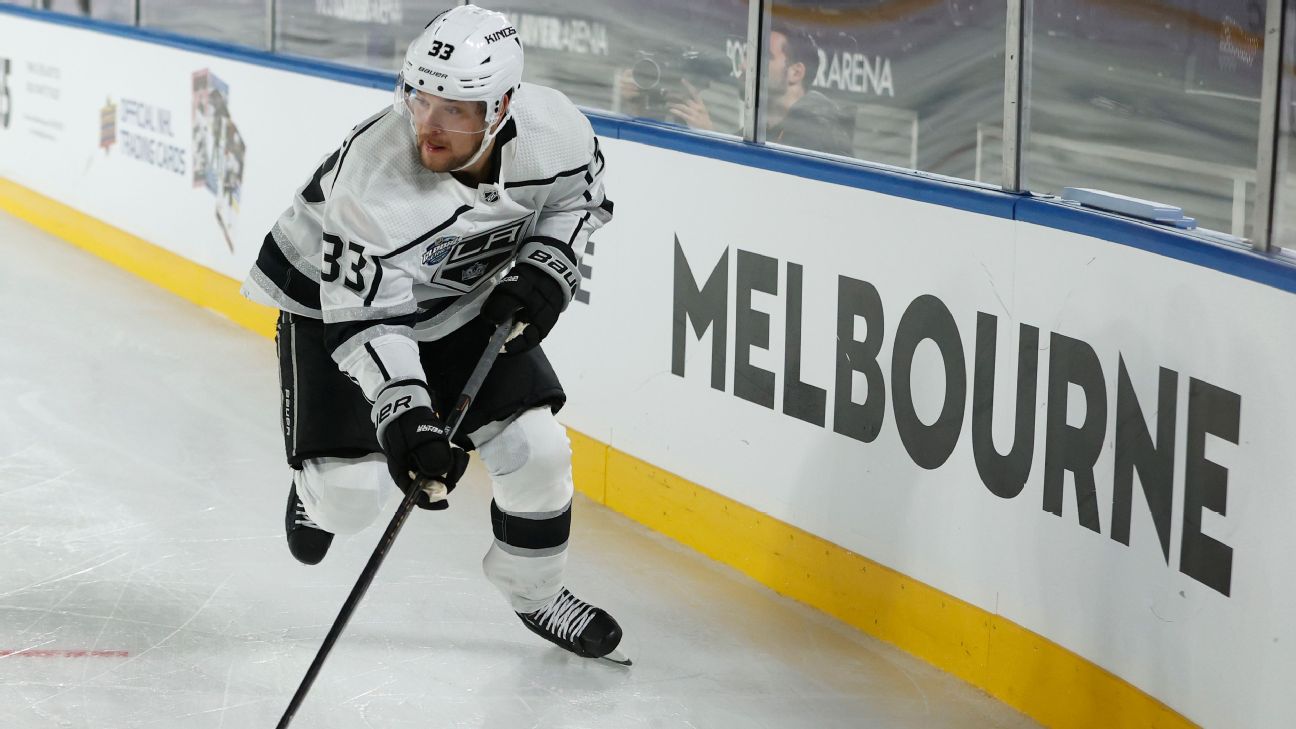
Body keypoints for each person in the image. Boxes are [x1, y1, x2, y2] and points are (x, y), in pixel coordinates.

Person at [240, 5, 623, 663]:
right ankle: (316, 495)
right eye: (419, 98)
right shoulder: (375, 178)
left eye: (455, 109)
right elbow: (367, 320)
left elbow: (578, 201)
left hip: (459, 298)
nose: (428, 124)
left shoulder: (555, 130)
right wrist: (409, 417)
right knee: (350, 501)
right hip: (333, 305)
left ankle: (534, 591)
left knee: (539, 452)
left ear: (502, 107)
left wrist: (547, 266)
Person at [665, 25, 852, 158]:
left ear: (796, 73)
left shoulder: (819, 136)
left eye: (761, 57)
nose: (744, 65)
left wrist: (710, 138)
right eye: (747, 56)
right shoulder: (760, 132)